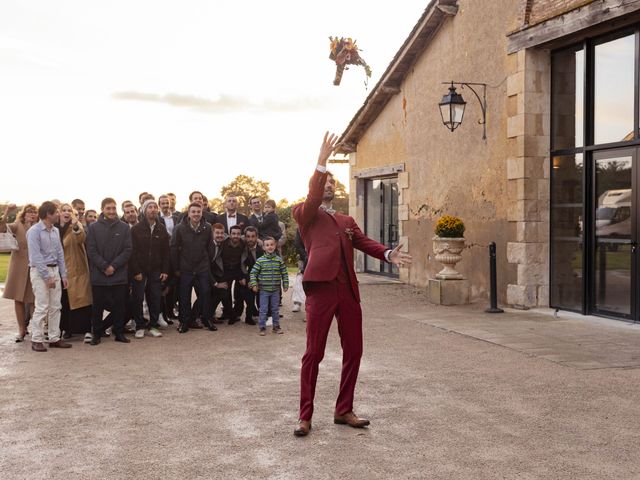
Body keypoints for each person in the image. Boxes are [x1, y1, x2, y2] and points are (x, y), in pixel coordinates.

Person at [291, 132, 412, 436]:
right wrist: (321, 163)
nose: (329, 184)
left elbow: (363, 242)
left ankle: (344, 409)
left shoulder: (346, 221)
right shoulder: (304, 215)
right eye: (324, 181)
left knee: (354, 351)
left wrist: (387, 254)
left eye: (333, 181)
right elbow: (313, 196)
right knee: (313, 353)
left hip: (348, 291)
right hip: (320, 289)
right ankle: (305, 416)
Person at [86, 197, 133, 345]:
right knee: (98, 307)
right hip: (99, 275)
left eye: (113, 208)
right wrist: (104, 266)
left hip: (118, 274)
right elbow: (91, 250)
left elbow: (128, 250)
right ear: (102, 209)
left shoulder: (125, 227)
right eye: (108, 208)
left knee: (120, 305)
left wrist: (114, 266)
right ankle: (96, 334)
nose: (111, 211)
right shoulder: (93, 228)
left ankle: (118, 332)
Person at [26, 201, 71, 351]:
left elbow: (60, 253)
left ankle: (54, 338)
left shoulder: (55, 231)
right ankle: (36, 339)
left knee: (56, 306)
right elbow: (35, 256)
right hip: (40, 272)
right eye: (56, 212)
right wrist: (47, 277)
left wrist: (63, 274)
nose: (59, 214)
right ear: (48, 214)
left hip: (55, 270)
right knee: (42, 306)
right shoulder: (34, 231)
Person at [170, 202, 216, 333]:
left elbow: (210, 247)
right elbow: (173, 249)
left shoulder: (207, 227)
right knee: (184, 296)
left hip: (202, 267)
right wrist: (176, 268)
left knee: (206, 293)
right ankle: (184, 322)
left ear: (202, 213)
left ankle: (206, 319)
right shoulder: (179, 228)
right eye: (193, 212)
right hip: (185, 268)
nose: (196, 214)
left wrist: (206, 263)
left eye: (198, 211)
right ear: (188, 213)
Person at [130, 199, 171, 339]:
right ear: (144, 210)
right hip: (140, 270)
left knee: (155, 298)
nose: (152, 209)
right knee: (138, 298)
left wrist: (165, 270)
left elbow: (166, 252)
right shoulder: (135, 229)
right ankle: (139, 326)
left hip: (156, 270)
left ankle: (153, 325)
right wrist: (136, 271)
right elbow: (132, 252)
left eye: (155, 207)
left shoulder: (161, 228)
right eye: (149, 207)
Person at [1, 203, 37, 342]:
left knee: (34, 300)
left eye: (34, 212)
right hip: (18, 268)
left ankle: (36, 330)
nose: (32, 214)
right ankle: (21, 330)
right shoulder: (18, 225)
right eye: (29, 212)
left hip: (34, 267)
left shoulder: (40, 226)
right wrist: (7, 211)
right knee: (18, 299)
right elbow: (2, 227)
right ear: (24, 213)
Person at [57, 203, 93, 343]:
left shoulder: (75, 226)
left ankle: (86, 329)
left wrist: (76, 225)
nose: (66, 213)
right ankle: (66, 329)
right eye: (64, 210)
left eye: (69, 211)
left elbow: (81, 238)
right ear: (59, 213)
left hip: (76, 268)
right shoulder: (54, 228)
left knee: (82, 300)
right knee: (63, 301)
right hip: (60, 270)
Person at [249, 236, 288, 336]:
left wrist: (285, 284)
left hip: (275, 290)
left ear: (275, 246)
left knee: (275, 309)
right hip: (264, 290)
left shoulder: (279, 260)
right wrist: (254, 284)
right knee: (263, 309)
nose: (270, 247)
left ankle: (276, 326)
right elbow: (253, 273)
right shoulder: (260, 261)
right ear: (264, 247)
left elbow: (284, 273)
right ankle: (262, 327)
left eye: (271, 244)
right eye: (267, 245)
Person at [220, 224, 245, 324]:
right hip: (226, 270)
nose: (236, 236)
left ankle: (237, 313)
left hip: (238, 270)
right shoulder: (223, 243)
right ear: (229, 235)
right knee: (225, 292)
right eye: (233, 234)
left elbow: (256, 241)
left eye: (238, 234)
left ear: (241, 235)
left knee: (239, 292)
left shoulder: (243, 244)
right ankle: (229, 314)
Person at [240, 226, 263, 324]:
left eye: (253, 236)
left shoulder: (262, 248)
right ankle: (248, 317)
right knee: (248, 292)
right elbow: (241, 266)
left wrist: (257, 281)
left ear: (257, 237)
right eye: (248, 236)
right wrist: (247, 279)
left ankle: (265, 314)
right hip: (248, 276)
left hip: (262, 276)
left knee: (261, 296)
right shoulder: (242, 248)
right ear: (245, 237)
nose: (250, 239)